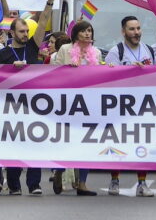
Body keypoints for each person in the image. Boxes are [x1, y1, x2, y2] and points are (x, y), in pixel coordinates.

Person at [0, 0, 53, 195]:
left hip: (34, 104)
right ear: (12, 33)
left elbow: (43, 23)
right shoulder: (3, 54)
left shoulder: (34, 47)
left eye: (27, 31)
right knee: (15, 146)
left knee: (35, 144)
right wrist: (10, 71)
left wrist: (49, 3)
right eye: (21, 32)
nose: (26, 35)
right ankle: (15, 185)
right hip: (11, 107)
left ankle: (34, 184)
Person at [103, 16, 155, 197]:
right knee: (118, 144)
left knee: (143, 144)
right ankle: (115, 180)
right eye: (132, 29)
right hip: (121, 107)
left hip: (143, 106)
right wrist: (128, 70)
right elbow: (107, 79)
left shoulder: (149, 50)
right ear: (123, 32)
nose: (136, 33)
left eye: (138, 28)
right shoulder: (115, 52)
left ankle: (142, 183)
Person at [51, 20, 101, 196]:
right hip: (67, 102)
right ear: (76, 34)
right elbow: (53, 74)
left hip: (88, 103)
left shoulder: (97, 52)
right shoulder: (65, 50)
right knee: (67, 140)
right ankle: (59, 170)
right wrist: (67, 69)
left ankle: (82, 183)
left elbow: (101, 78)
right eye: (83, 31)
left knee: (87, 142)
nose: (88, 34)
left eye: (90, 31)